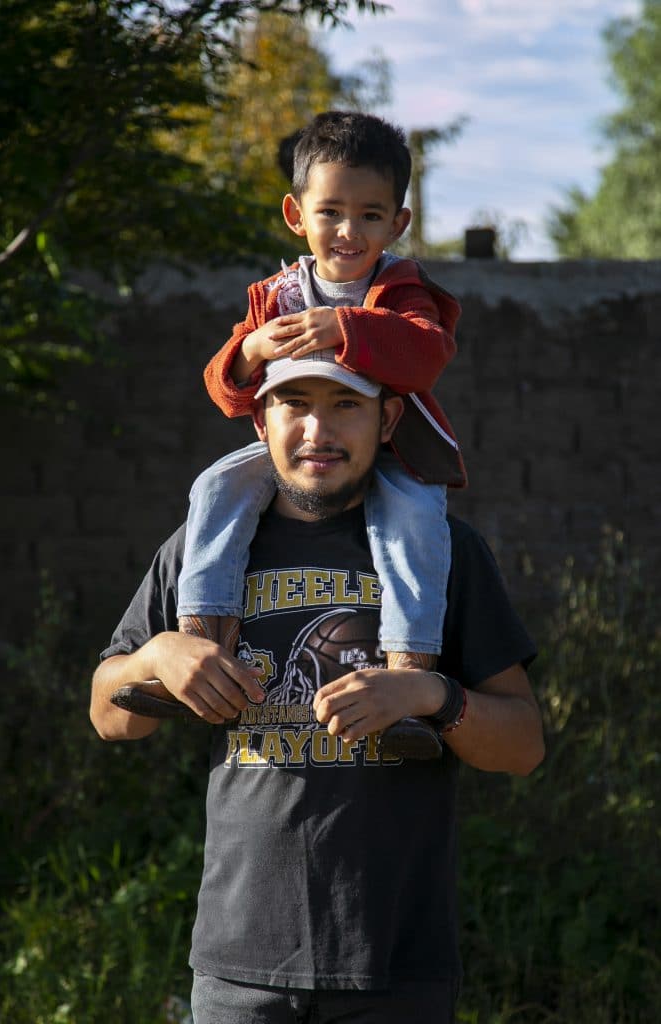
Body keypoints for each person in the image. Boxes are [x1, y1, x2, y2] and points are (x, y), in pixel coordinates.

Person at [90, 352, 545, 1024]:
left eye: (345, 405)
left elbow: (524, 746)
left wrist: (428, 697)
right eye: (294, 402)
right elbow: (108, 715)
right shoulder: (204, 555)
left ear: (388, 417)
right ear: (260, 416)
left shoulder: (440, 550)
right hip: (238, 966)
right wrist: (155, 656)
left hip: (397, 964)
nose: (316, 429)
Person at [177, 110, 467, 677]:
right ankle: (201, 639)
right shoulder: (277, 295)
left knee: (417, 526)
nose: (349, 232)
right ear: (296, 214)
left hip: (389, 454)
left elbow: (428, 354)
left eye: (370, 215)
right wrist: (253, 349)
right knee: (215, 486)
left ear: (398, 223)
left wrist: (346, 328)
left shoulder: (400, 288)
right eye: (330, 212)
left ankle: (410, 666)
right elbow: (225, 390)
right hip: (299, 453)